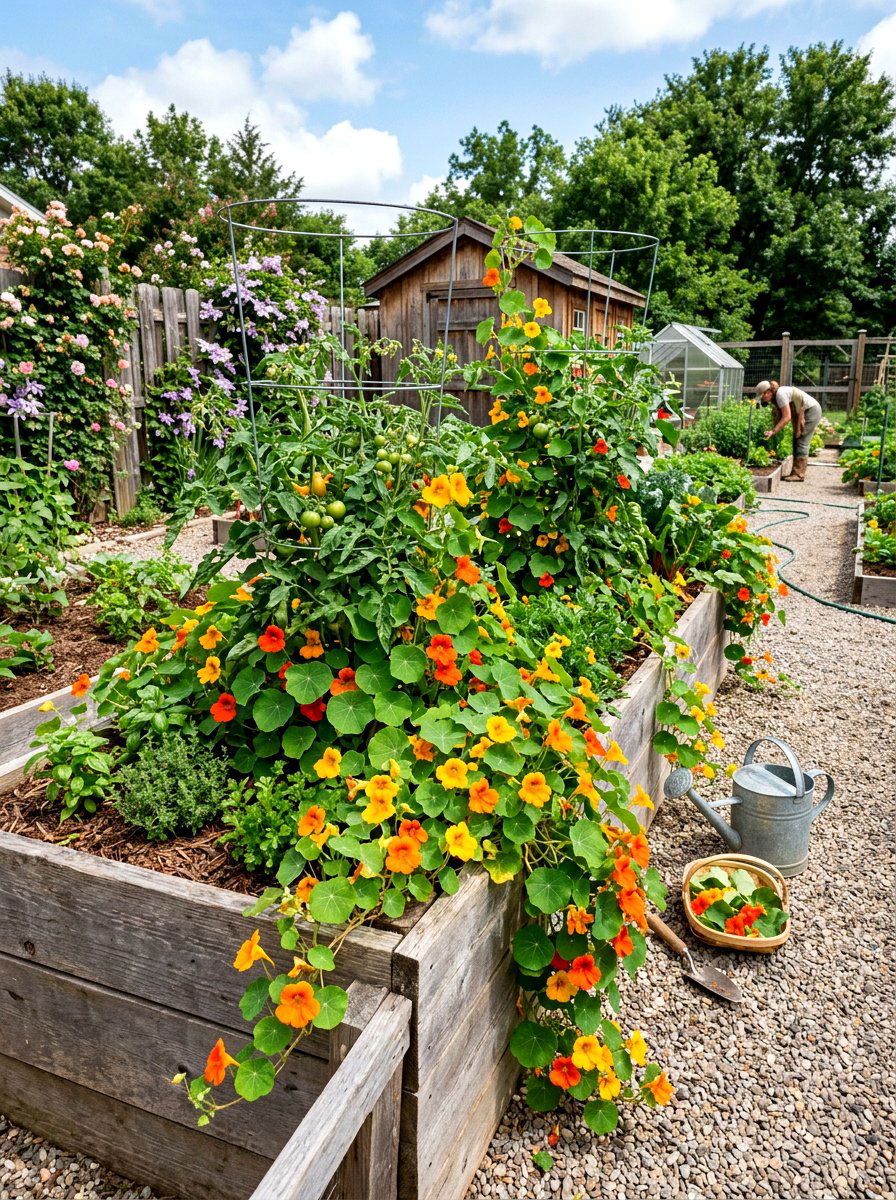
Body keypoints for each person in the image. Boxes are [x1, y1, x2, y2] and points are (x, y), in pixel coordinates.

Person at [753, 380, 823, 482]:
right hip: (804, 411)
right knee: (796, 439)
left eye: (762, 396)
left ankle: (799, 474)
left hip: (811, 411)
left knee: (802, 440)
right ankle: (795, 472)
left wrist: (773, 431)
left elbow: (786, 417)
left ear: (768, 392)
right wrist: (772, 429)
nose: (763, 399)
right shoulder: (776, 396)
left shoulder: (780, 395)